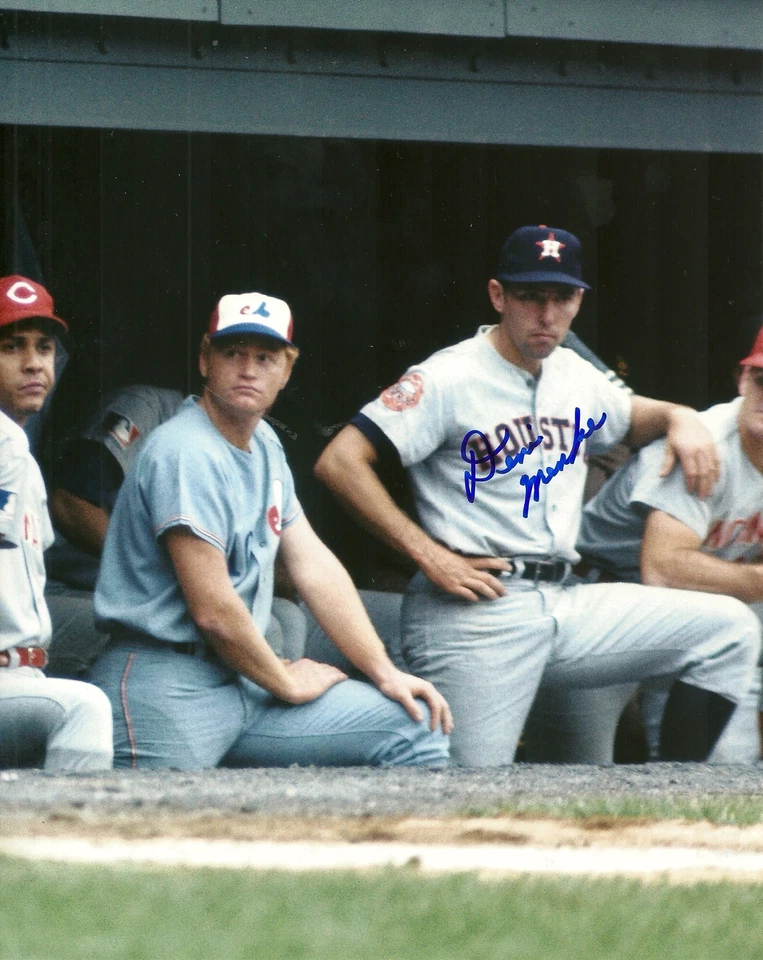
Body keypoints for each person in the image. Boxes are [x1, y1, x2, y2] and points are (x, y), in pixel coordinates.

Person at [314, 224, 761, 767]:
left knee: (727, 629)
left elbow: (632, 417)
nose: (547, 315)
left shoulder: (576, 375)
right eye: (530, 297)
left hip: (567, 602)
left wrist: (680, 416)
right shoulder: (449, 376)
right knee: (462, 790)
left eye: (562, 298)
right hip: (477, 613)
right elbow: (340, 461)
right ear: (499, 295)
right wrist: (428, 554)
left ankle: (679, 789)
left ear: (578, 301)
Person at [87, 290, 451, 770]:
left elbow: (312, 565)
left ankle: (378, 848)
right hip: (166, 679)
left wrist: (383, 672)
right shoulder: (184, 448)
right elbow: (213, 609)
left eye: (265, 356)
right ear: (205, 360)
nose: (248, 368)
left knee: (413, 725)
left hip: (243, 677)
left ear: (287, 369)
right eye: (232, 353)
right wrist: (285, 682)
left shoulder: (264, 441)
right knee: (165, 832)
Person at [569, 327, 763, 763]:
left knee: (726, 773)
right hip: (596, 595)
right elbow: (664, 569)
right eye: (762, 380)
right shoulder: (704, 444)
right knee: (576, 770)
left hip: (702, 611)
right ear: (742, 380)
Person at [44, 384, 308, 678]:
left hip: (174, 599)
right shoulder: (148, 408)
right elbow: (70, 504)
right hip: (75, 586)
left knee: (288, 618)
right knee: (259, 632)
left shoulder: (257, 447)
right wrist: (156, 569)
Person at [0, 274, 112, 772]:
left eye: (44, 347)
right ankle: (75, 842)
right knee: (86, 709)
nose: (33, 363)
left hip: (25, 674)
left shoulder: (21, 452)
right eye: (10, 347)